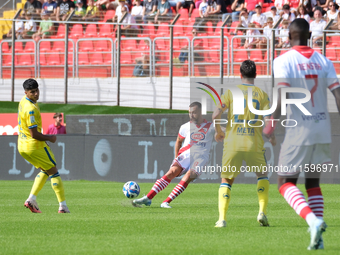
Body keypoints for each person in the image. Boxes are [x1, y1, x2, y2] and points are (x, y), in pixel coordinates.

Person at [263, 18, 340, 250]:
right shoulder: (324, 61)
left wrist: (271, 120)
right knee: (313, 183)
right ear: (309, 36)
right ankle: (318, 239)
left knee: (285, 182)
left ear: (288, 36)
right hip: (322, 128)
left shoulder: (283, 60)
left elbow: (281, 94)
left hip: (299, 129)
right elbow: (337, 94)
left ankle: (313, 220)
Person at [212, 60, 276, 228]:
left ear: (240, 75)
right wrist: (272, 137)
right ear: (256, 75)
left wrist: (218, 131)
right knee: (262, 176)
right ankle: (262, 212)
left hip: (233, 143)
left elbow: (216, 113)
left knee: (226, 180)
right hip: (254, 144)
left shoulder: (231, 92)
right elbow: (269, 122)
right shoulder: (262, 95)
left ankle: (222, 219)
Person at [132, 102, 215, 208]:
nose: (191, 115)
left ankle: (166, 202)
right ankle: (148, 198)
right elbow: (178, 141)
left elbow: (223, 132)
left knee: (188, 176)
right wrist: (176, 157)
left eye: (194, 112)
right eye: (190, 112)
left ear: (201, 112)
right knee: (171, 172)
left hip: (201, 158)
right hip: (185, 155)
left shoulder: (211, 126)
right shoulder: (185, 127)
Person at [18, 79, 70, 214]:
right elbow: (34, 134)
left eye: (36, 91)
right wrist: (49, 138)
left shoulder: (23, 101)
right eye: (32, 92)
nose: (35, 94)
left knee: (46, 169)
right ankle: (63, 206)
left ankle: (31, 199)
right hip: (33, 144)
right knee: (53, 170)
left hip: (22, 145)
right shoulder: (30, 109)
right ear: (26, 92)